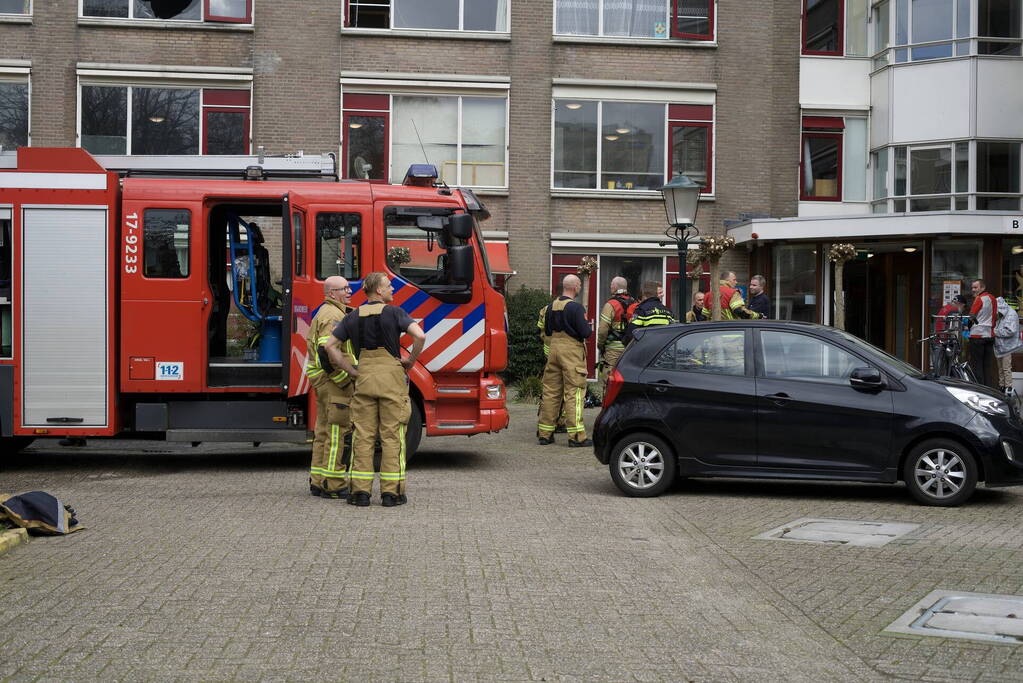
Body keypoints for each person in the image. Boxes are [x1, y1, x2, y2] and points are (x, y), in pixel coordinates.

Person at [327, 272, 426, 507]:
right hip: (391, 377)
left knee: (363, 435)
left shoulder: (353, 316)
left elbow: (331, 346)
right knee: (392, 435)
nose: (392, 289)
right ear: (379, 291)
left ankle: (360, 493)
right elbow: (420, 335)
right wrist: (410, 360)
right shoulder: (395, 313)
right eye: (389, 286)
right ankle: (392, 494)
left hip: (365, 377)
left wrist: (351, 370)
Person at [305, 276, 356, 499]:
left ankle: (318, 480)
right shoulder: (334, 315)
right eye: (344, 288)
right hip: (334, 382)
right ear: (331, 293)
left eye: (348, 287)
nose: (349, 291)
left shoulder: (328, 312)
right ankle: (334, 484)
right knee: (338, 432)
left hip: (324, 380)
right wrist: (345, 378)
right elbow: (328, 351)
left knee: (324, 431)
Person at [537, 274, 592, 447]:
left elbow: (545, 331)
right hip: (571, 352)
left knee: (551, 392)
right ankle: (576, 436)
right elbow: (585, 333)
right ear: (575, 287)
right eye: (580, 285)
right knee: (574, 393)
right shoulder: (576, 308)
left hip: (553, 350)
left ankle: (545, 434)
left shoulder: (548, 307)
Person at [596, 276, 635, 395]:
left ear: (614, 287)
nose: (610, 287)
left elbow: (603, 330)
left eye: (611, 285)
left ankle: (607, 410)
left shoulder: (611, 305)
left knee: (609, 381)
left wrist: (600, 345)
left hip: (613, 350)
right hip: (630, 349)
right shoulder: (635, 303)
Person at [968, 279, 998, 389]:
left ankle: (979, 390)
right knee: (987, 366)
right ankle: (989, 389)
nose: (973, 290)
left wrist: (969, 326)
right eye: (972, 287)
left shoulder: (979, 299)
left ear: (982, 288)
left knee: (977, 366)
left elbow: (971, 316)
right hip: (989, 335)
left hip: (977, 336)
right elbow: (995, 316)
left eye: (975, 287)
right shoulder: (993, 299)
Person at [994, 296, 1022, 395]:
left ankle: (1008, 388)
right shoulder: (1003, 314)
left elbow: (1010, 331)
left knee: (1006, 368)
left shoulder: (1010, 314)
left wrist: (995, 332)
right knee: (1001, 368)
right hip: (1001, 346)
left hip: (1008, 346)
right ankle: (1002, 387)